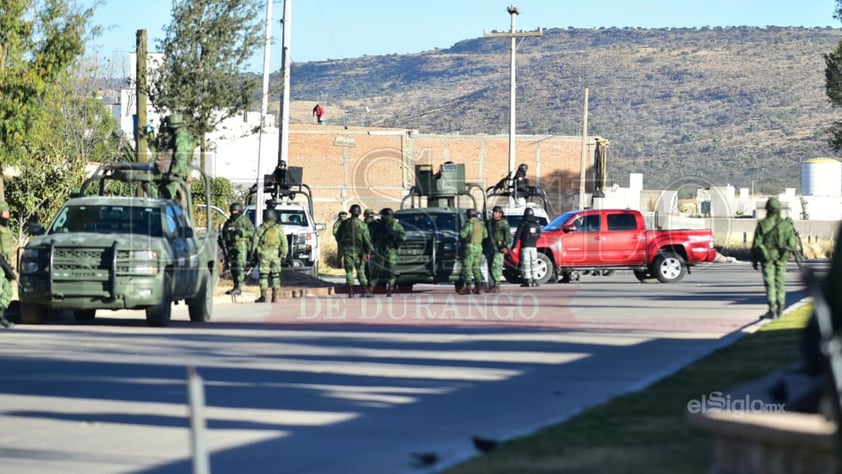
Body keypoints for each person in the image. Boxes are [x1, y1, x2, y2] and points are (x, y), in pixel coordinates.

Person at [751, 197, 802, 319]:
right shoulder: (787, 225)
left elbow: (756, 244)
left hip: (767, 259)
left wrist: (754, 260)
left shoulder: (763, 224)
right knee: (780, 283)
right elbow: (793, 246)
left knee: (770, 284)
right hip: (781, 258)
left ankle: (772, 309)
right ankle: (779, 308)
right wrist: (799, 262)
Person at [250, 208, 288, 303]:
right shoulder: (278, 228)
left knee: (263, 276)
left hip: (263, 256)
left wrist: (253, 256)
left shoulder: (260, 229)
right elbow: (284, 243)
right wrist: (283, 255)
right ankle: (275, 297)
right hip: (276, 256)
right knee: (275, 276)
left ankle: (263, 297)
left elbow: (254, 244)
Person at [336, 204, 373, 298]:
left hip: (347, 251)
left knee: (349, 271)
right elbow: (367, 240)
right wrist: (368, 252)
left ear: (350, 212)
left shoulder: (344, 224)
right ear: (359, 213)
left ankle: (350, 292)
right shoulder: (362, 225)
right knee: (360, 270)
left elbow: (338, 236)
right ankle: (365, 290)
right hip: (359, 251)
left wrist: (343, 245)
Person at [369, 208, 406, 297]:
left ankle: (386, 289)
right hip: (384, 250)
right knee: (382, 271)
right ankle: (374, 289)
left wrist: (394, 237)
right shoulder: (381, 225)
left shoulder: (395, 226)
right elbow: (371, 235)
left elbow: (403, 237)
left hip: (389, 250)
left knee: (386, 271)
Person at [158, 113, 194, 202]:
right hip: (178, 174)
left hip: (178, 175)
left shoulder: (181, 138)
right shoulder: (178, 137)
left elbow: (181, 157)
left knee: (168, 198)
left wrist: (173, 172)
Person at [220, 202, 255, 296]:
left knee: (239, 267)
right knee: (233, 268)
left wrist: (242, 232)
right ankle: (235, 286)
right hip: (230, 247)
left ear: (239, 211)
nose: (234, 212)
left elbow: (252, 232)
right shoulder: (228, 222)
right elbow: (224, 233)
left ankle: (238, 287)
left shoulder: (244, 221)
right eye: (232, 211)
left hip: (241, 247)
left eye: (235, 211)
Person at [458, 209, 487, 295]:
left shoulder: (468, 225)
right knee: (476, 267)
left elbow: (462, 235)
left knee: (468, 267)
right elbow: (485, 235)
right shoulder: (480, 224)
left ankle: (468, 287)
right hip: (479, 247)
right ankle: (478, 286)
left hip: (469, 247)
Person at [484, 206, 512, 293]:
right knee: (489, 266)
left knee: (496, 266)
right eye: (493, 212)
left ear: (500, 214)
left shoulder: (503, 223)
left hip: (499, 247)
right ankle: (491, 284)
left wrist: (506, 247)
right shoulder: (490, 223)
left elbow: (508, 236)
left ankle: (496, 284)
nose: (494, 213)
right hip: (490, 247)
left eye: (496, 212)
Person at [513, 207, 542, 287]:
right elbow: (539, 234)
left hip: (525, 245)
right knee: (534, 262)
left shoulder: (523, 223)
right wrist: (534, 240)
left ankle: (528, 279)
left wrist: (514, 246)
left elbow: (518, 235)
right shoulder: (536, 223)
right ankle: (535, 280)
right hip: (534, 246)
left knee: (526, 263)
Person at [0, 201, 15, 328]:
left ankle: (1, 316)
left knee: (7, 292)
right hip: (0, 264)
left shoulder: (6, 229)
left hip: (5, 264)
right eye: (6, 211)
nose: (8, 214)